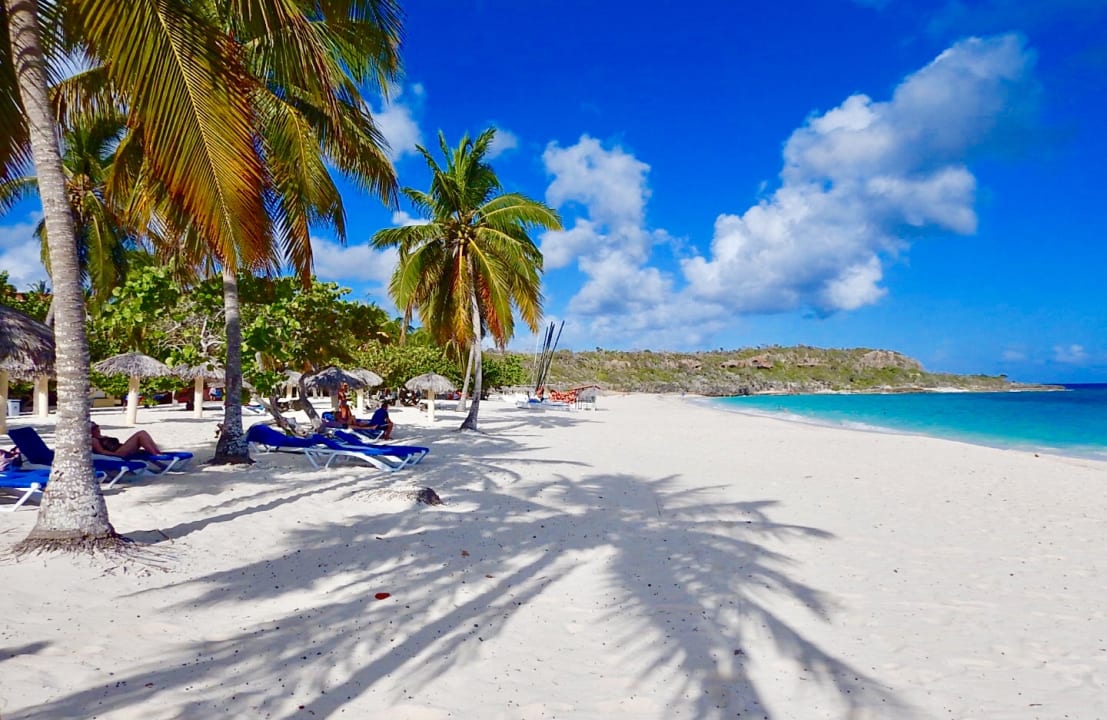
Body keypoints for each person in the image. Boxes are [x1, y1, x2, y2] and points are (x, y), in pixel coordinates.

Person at [90, 421, 162, 457]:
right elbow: (101, 452)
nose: (97, 429)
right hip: (119, 452)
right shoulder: (94, 440)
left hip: (121, 448)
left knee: (143, 433)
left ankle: (156, 452)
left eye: (97, 426)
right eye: (93, 428)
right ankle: (155, 454)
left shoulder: (102, 437)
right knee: (141, 434)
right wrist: (116, 454)